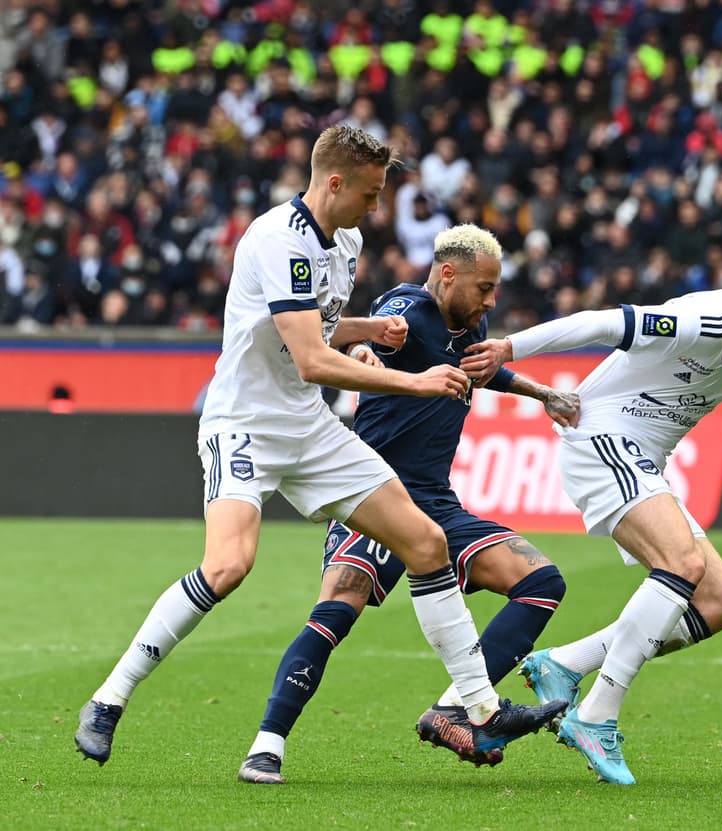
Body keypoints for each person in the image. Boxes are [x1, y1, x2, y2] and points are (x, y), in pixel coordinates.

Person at [75, 126, 565, 769]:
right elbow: (310, 358)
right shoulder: (278, 240)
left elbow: (320, 326)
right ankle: (110, 698)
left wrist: (369, 328)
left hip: (307, 428)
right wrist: (411, 378)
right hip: (244, 422)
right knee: (228, 567)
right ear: (335, 182)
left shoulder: (348, 240)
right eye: (370, 192)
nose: (376, 206)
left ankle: (477, 708)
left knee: (426, 543)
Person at [461, 240, 722, 784]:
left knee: (718, 600)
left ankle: (567, 663)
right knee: (682, 564)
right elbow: (600, 322)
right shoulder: (700, 319)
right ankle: (596, 715)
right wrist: (509, 349)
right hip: (601, 437)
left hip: (644, 462)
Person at [238, 224, 581, 784]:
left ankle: (456, 712)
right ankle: (266, 746)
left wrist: (543, 394)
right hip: (374, 491)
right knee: (337, 609)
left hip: (437, 502)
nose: (492, 299)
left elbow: (481, 367)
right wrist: (365, 350)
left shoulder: (472, 324)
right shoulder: (408, 305)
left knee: (542, 582)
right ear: (448, 275)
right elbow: (370, 338)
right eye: (485, 287)